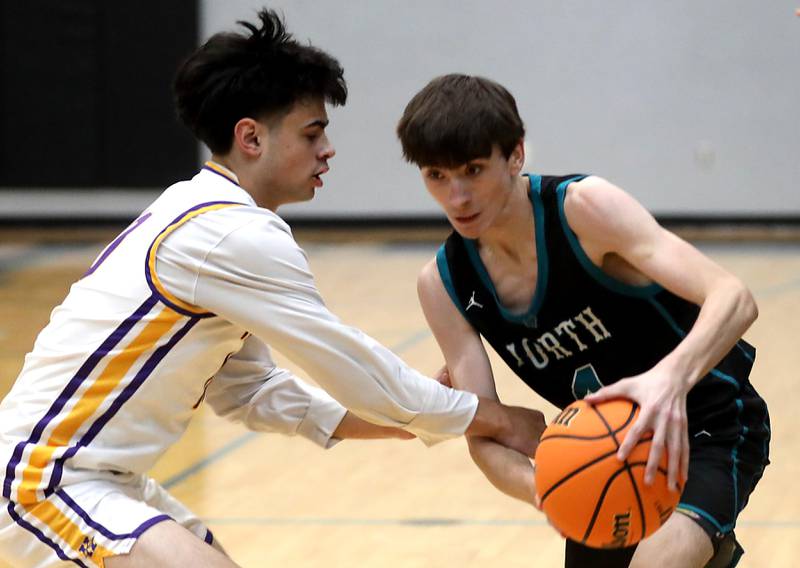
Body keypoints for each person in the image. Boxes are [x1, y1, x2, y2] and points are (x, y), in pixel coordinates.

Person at [0, 16, 547, 568]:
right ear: (251, 137)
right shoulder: (234, 234)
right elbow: (358, 370)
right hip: (47, 478)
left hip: (100, 479)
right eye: (312, 133)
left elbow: (247, 389)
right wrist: (496, 417)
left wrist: (398, 420)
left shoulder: (208, 215)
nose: (328, 149)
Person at [397, 74, 770, 568]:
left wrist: (669, 381)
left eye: (473, 169)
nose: (457, 196)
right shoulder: (443, 283)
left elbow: (734, 297)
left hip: (706, 424)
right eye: (436, 176)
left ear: (515, 155)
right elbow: (483, 430)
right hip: (603, 454)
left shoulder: (583, 210)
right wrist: (544, 487)